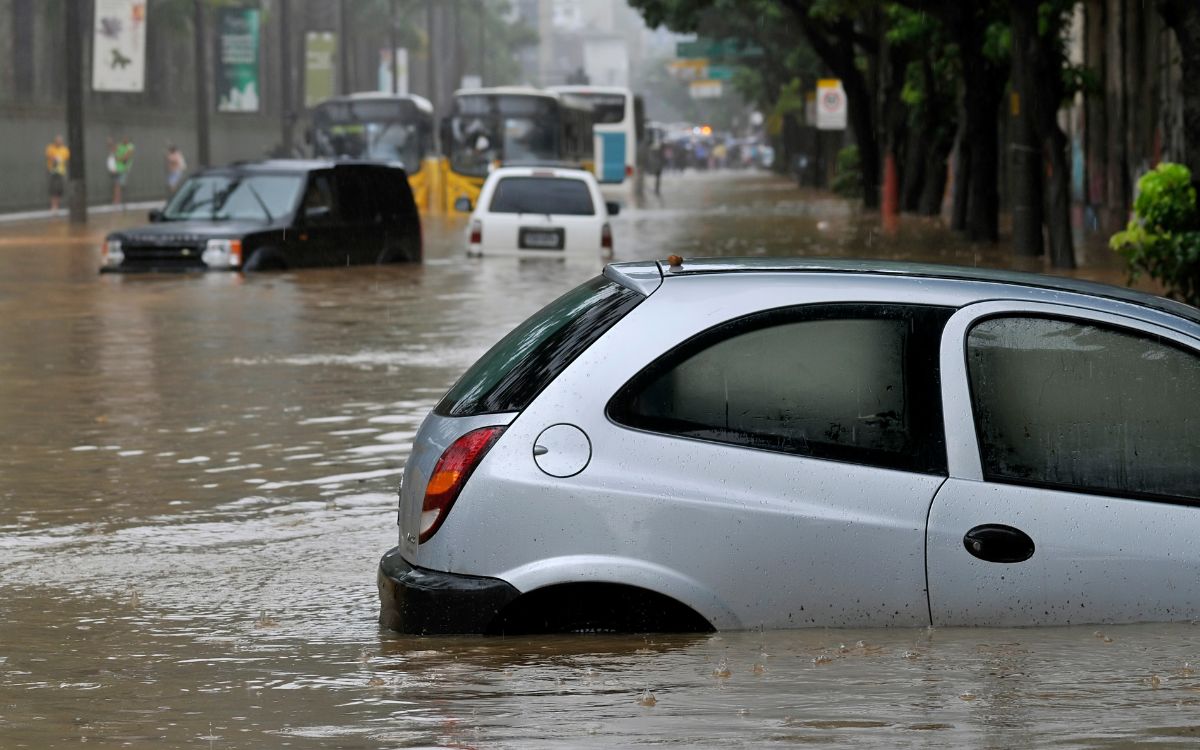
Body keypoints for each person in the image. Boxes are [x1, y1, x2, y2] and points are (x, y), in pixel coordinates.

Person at [45, 134, 69, 212]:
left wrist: (58, 159)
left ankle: (57, 207)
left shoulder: (65, 149)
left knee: (59, 189)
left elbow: (65, 159)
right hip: (52, 171)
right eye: (58, 140)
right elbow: (50, 156)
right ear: (55, 141)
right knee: (53, 189)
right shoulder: (50, 148)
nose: (59, 142)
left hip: (61, 172)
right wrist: (56, 159)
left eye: (60, 140)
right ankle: (53, 207)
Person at [112, 136, 135, 206]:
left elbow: (126, 158)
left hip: (124, 169)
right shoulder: (120, 145)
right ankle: (117, 200)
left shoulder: (130, 146)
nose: (124, 140)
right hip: (118, 169)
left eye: (126, 138)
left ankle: (119, 201)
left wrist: (118, 158)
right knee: (117, 185)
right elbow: (114, 151)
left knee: (120, 185)